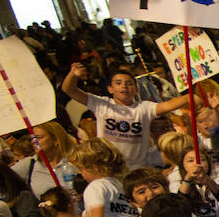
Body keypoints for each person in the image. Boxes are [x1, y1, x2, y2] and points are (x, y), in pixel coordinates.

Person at [61, 63, 189, 169]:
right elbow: (69, 90)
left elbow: (167, 105)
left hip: (138, 170)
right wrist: (73, 75)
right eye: (118, 83)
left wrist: (191, 97)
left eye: (129, 83)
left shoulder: (143, 108)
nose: (124, 86)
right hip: (109, 169)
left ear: (136, 89)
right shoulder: (101, 104)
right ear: (110, 89)